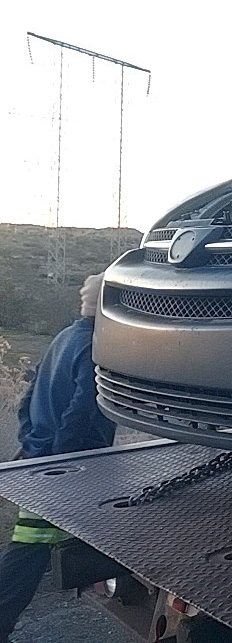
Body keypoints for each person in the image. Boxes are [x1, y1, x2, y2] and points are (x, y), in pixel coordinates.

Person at [1, 273, 115, 641]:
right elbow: (81, 412)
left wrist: (30, 439)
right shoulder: (96, 349)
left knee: (39, 544)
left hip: (42, 457)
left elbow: (29, 392)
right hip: (63, 467)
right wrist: (61, 460)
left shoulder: (64, 338)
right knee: (28, 554)